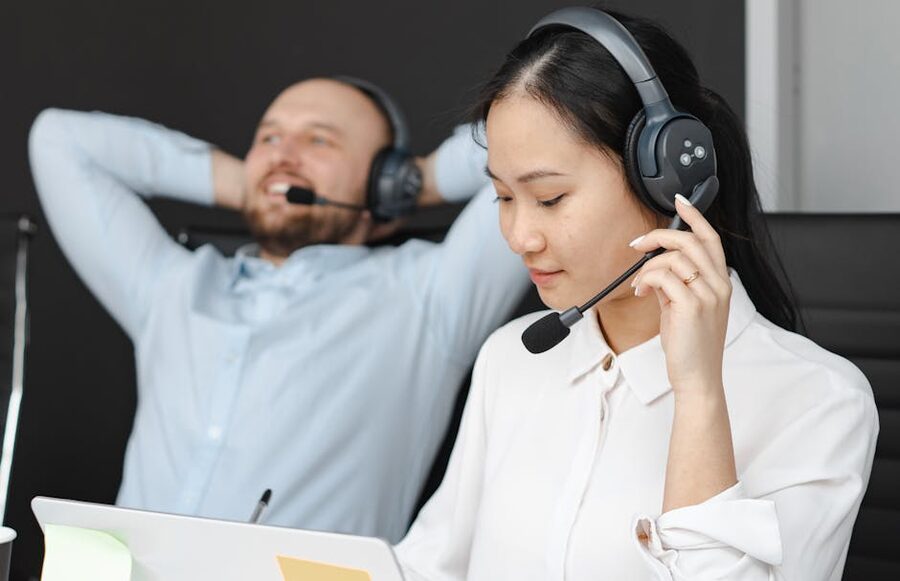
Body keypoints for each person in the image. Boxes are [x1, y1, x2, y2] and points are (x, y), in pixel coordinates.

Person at [396, 9, 878, 579]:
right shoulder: (511, 359)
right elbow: (427, 565)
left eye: (549, 199)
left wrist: (698, 398)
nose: (520, 237)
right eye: (503, 197)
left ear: (666, 177)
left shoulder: (820, 400)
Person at [28, 77, 527, 542]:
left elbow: (535, 129)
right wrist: (249, 182)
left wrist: (420, 181)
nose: (282, 156)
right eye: (267, 139)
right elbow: (59, 139)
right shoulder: (171, 288)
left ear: (384, 184)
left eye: (318, 141)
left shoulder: (429, 298)